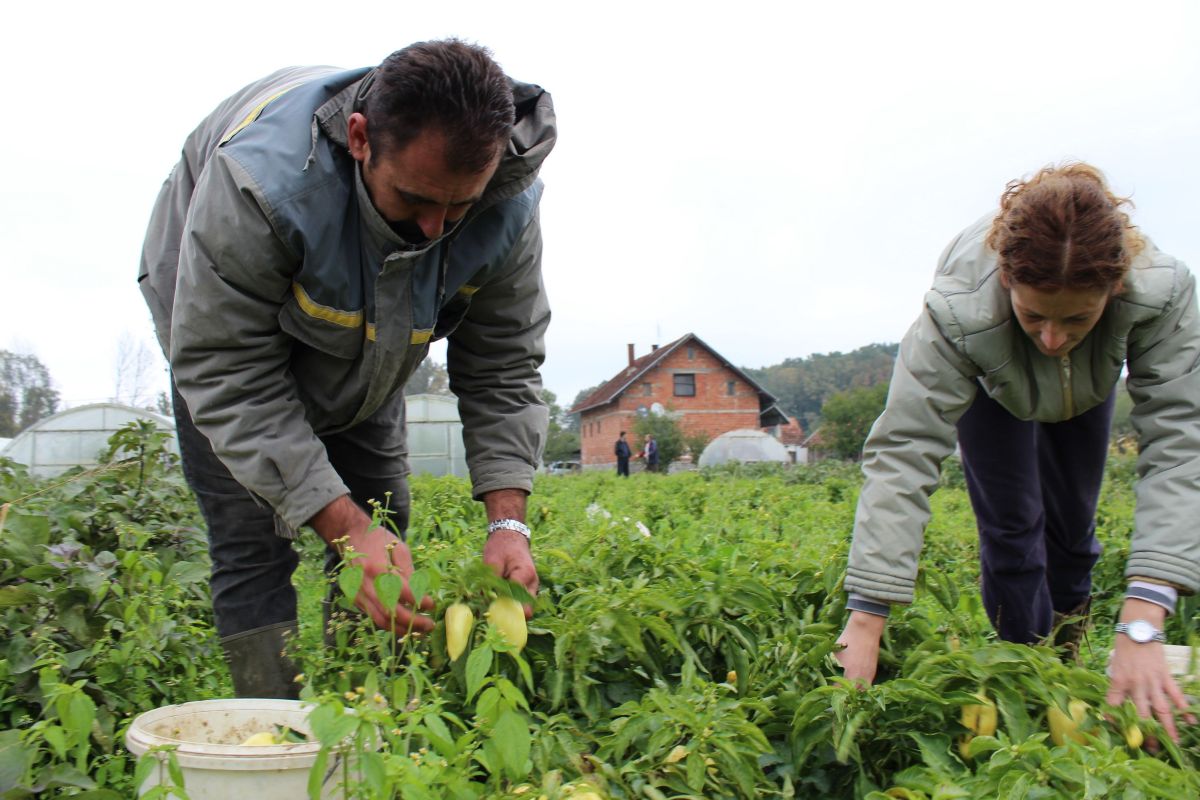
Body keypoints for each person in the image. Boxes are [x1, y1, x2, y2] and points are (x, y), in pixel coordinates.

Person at [138, 40, 555, 698]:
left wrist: (508, 522)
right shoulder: (262, 186)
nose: (433, 228)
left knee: (383, 525)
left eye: (458, 207)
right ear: (359, 137)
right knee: (253, 546)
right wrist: (341, 525)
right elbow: (225, 367)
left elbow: (504, 366)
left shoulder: (506, 204)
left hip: (368, 339)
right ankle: (270, 738)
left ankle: (365, 714)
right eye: (415, 198)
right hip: (228, 345)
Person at [834, 163, 1200, 741]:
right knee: (1011, 526)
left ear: (1116, 289)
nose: (1052, 338)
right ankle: (1027, 673)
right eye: (1035, 315)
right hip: (992, 382)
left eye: (1077, 316)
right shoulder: (958, 311)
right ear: (1006, 281)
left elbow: (1183, 443)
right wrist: (867, 612)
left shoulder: (1161, 292)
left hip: (1088, 385)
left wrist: (1144, 619)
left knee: (1073, 534)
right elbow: (904, 449)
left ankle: (1068, 660)